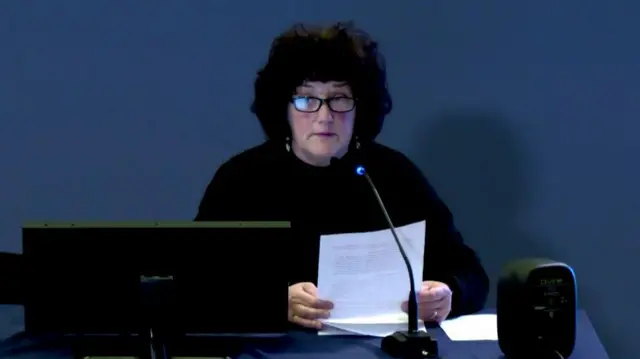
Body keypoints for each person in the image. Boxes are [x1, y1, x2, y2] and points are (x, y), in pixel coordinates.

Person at [195, 21, 489, 330]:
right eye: (307, 99)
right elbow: (194, 286)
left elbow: (470, 273)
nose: (324, 116)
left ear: (360, 107)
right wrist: (273, 302)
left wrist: (449, 293)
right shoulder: (242, 179)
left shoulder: (392, 174)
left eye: (339, 99)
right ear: (283, 107)